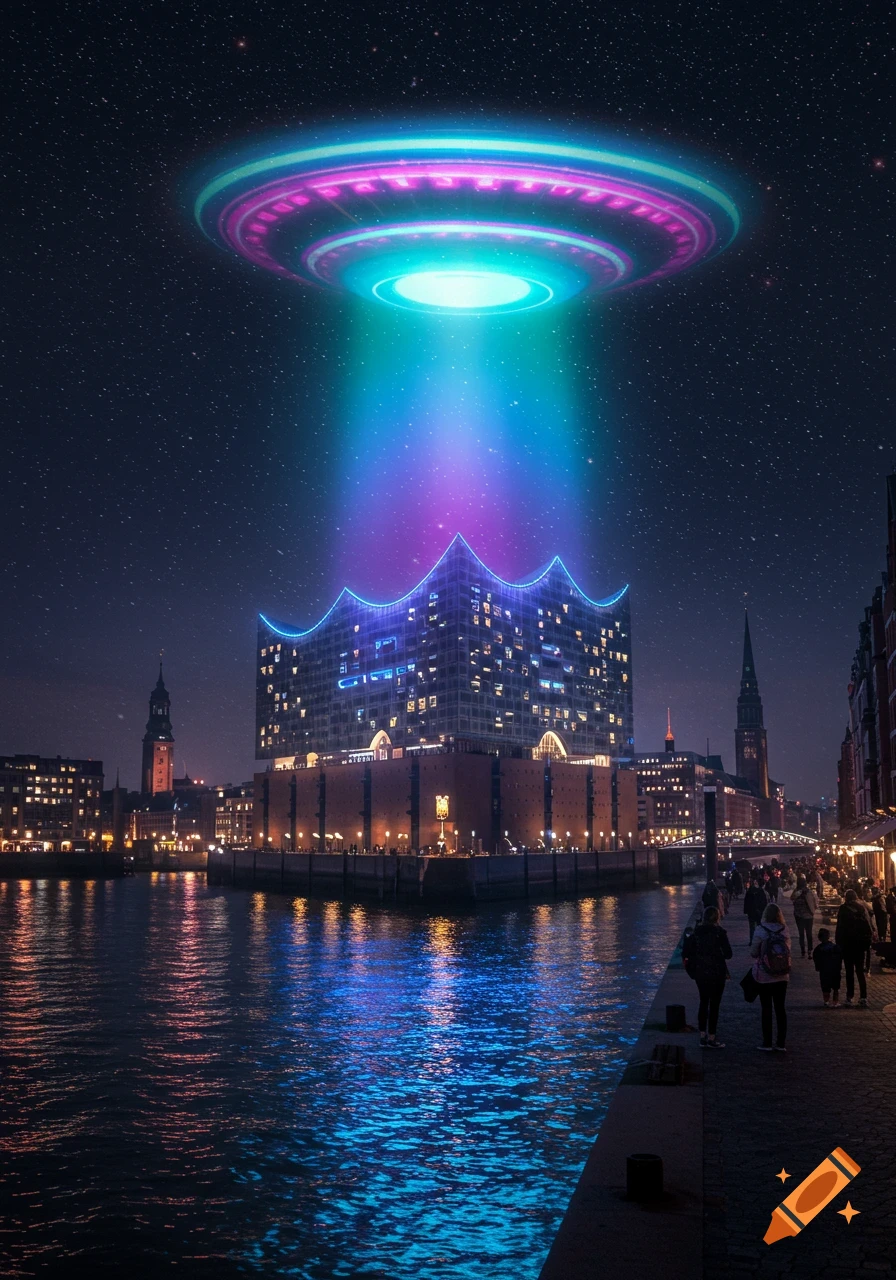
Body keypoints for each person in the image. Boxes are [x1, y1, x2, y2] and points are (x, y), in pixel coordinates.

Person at [682, 905, 732, 1048]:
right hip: (717, 972)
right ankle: (712, 1037)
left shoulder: (695, 934)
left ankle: (702, 1036)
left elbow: (686, 953)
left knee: (703, 1002)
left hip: (701, 972)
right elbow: (729, 954)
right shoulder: (720, 933)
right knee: (715, 1005)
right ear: (717, 918)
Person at [750, 902, 791, 1051]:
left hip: (765, 975)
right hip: (782, 975)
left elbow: (754, 952)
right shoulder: (785, 930)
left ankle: (767, 1042)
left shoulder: (760, 930)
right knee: (780, 1009)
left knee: (766, 1008)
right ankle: (781, 1043)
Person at [835, 889, 873, 1007]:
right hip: (860, 945)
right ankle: (863, 997)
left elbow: (839, 927)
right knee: (860, 971)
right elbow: (869, 925)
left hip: (847, 944)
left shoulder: (843, 908)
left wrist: (838, 943)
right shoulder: (862, 908)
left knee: (849, 971)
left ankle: (849, 996)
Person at [813, 927, 842, 1007]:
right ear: (828, 936)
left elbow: (816, 959)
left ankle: (826, 1001)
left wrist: (818, 967)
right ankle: (835, 1001)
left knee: (825, 987)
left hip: (824, 971)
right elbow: (840, 957)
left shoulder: (818, 949)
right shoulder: (835, 947)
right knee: (836, 987)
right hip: (835, 970)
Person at [791, 876, 818, 958]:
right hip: (809, 916)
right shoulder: (810, 892)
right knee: (809, 933)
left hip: (799, 916)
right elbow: (816, 903)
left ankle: (803, 951)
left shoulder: (796, 892)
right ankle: (810, 951)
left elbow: (792, 899)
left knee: (801, 934)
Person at [744, 877, 768, 943]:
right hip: (759, 912)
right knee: (759, 926)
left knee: (752, 927)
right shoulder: (761, 891)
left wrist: (746, 911)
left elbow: (746, 902)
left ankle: (752, 940)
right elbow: (764, 902)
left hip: (751, 912)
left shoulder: (749, 892)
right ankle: (759, 940)